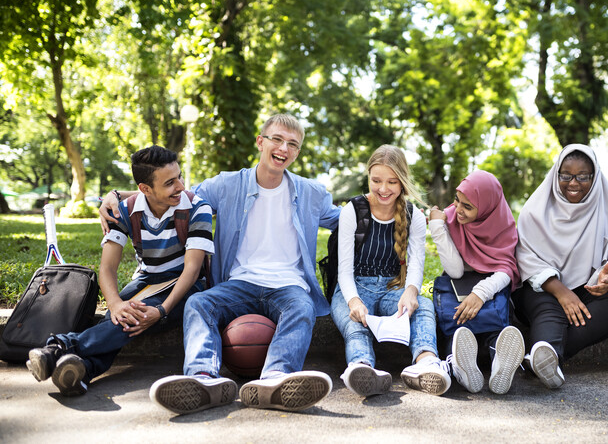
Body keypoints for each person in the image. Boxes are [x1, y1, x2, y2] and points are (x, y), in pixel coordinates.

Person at [99, 114, 340, 414]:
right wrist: (117, 196)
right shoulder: (227, 184)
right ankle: (202, 379)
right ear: (261, 141)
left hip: (288, 285)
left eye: (293, 144)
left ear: (297, 152)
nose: (284, 148)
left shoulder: (311, 193)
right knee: (199, 302)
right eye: (277, 139)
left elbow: (350, 218)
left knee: (302, 308)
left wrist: (404, 215)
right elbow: (175, 193)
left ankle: (275, 380)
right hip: (239, 283)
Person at [27, 145, 213, 396]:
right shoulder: (124, 211)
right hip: (147, 280)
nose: (180, 186)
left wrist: (161, 310)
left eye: (179, 177)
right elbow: (108, 267)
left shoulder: (196, 208)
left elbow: (192, 270)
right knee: (119, 316)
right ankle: (83, 370)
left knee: (132, 316)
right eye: (170, 183)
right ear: (145, 189)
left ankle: (59, 348)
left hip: (187, 286)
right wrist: (114, 304)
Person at [514, 144, 608, 389]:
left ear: (595, 177)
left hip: (587, 288)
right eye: (566, 176)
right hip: (542, 287)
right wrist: (562, 292)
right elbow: (525, 257)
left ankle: (542, 359)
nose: (573, 183)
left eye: (583, 177)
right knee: (550, 311)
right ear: (555, 175)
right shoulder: (534, 211)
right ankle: (550, 359)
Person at [333, 145, 451, 397]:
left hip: (392, 288)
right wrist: (354, 301)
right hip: (353, 287)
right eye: (376, 181)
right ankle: (361, 367)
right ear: (368, 177)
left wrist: (410, 291)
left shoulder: (413, 216)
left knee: (423, 306)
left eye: (392, 182)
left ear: (402, 182)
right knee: (356, 326)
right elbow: (344, 270)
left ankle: (427, 363)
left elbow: (417, 262)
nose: (383, 189)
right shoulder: (352, 211)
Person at [428, 170, 525, 395]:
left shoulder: (502, 226)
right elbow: (455, 270)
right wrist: (438, 229)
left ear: (487, 207)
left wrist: (480, 293)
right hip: (457, 288)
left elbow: (506, 270)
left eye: (467, 206)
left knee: (497, 326)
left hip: (489, 290)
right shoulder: (450, 218)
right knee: (457, 328)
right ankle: (461, 367)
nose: (458, 210)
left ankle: (499, 363)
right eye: (456, 200)